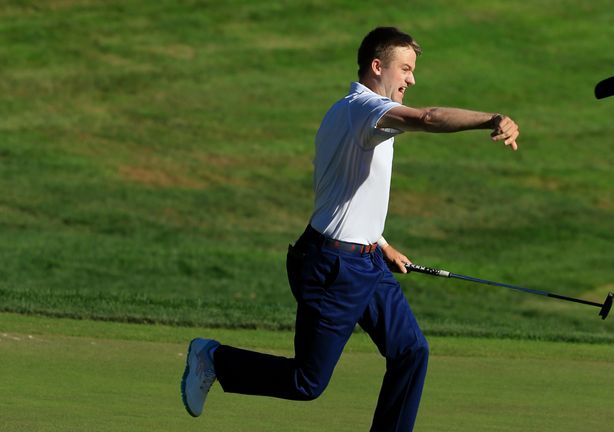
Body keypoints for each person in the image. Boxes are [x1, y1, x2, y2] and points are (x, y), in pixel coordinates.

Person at [181, 26, 519, 431]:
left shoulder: (352, 113)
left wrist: (381, 242)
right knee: (306, 382)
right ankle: (213, 358)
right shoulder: (364, 110)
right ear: (377, 67)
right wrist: (492, 119)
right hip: (332, 268)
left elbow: (345, 192)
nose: (412, 79)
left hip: (366, 260)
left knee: (411, 351)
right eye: (406, 69)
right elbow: (427, 118)